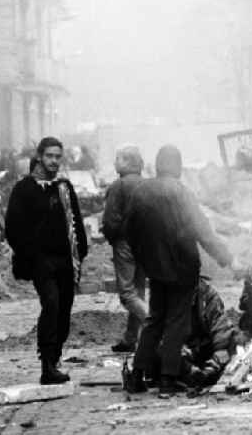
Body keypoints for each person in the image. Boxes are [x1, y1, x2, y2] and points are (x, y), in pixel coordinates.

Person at [123, 144, 235, 396]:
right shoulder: (182, 192)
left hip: (156, 270)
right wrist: (226, 258)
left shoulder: (141, 192)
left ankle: (137, 376)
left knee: (153, 321)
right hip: (183, 270)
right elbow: (202, 230)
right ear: (178, 166)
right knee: (176, 323)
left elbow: (129, 229)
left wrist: (146, 259)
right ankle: (167, 381)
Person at [5, 137, 88, 385]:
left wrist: (80, 253)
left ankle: (55, 356)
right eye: (49, 156)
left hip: (65, 260)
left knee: (64, 309)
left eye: (57, 157)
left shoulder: (63, 187)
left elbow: (76, 222)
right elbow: (13, 228)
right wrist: (30, 255)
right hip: (41, 261)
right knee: (51, 304)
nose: (53, 161)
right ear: (40, 156)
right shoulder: (25, 189)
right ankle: (47, 364)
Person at [101, 145, 147, 353]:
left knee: (127, 294)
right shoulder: (148, 185)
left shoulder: (118, 186)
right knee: (138, 291)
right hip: (145, 243)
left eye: (118, 159)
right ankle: (131, 338)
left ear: (128, 162)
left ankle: (156, 325)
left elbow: (110, 221)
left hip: (124, 243)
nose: (114, 163)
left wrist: (112, 238)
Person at [181, 277, 237, 388]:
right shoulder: (166, 294)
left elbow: (221, 332)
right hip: (178, 352)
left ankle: (206, 373)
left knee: (233, 339)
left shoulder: (208, 295)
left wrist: (213, 365)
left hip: (203, 350)